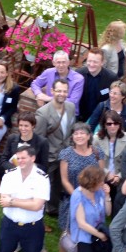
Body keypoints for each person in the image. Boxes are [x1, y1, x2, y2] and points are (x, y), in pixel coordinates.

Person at [50, 123, 103, 252]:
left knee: (87, 228)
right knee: (67, 230)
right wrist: (78, 198)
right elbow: (64, 180)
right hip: (71, 198)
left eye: (82, 133)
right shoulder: (66, 154)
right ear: (72, 136)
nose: (79, 136)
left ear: (88, 136)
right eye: (76, 133)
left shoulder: (98, 153)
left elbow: (100, 177)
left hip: (92, 199)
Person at [34, 79, 77, 208]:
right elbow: (39, 138)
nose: (62, 94)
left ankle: (54, 207)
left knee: (59, 182)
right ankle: (44, 208)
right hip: (50, 155)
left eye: (65, 91)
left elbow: (71, 129)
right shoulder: (43, 113)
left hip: (66, 153)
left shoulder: (71, 107)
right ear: (52, 91)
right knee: (47, 183)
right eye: (59, 91)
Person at [94, 109, 126, 203]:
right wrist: (107, 174)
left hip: (120, 175)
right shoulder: (96, 139)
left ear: (120, 124)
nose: (113, 126)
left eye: (116, 123)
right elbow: (94, 160)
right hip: (102, 174)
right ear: (104, 125)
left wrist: (118, 176)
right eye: (109, 124)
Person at [0, 111, 49, 178]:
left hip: (32, 178)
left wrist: (29, 166)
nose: (23, 129)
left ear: (33, 126)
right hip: (12, 176)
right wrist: (17, 169)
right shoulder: (12, 138)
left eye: (26, 126)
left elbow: (44, 167)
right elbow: (3, 160)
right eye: (21, 125)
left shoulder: (42, 142)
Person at [75, 49, 116, 122]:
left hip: (100, 119)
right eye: (89, 61)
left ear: (102, 62)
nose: (91, 64)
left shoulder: (111, 78)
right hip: (80, 118)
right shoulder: (78, 74)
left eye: (95, 62)